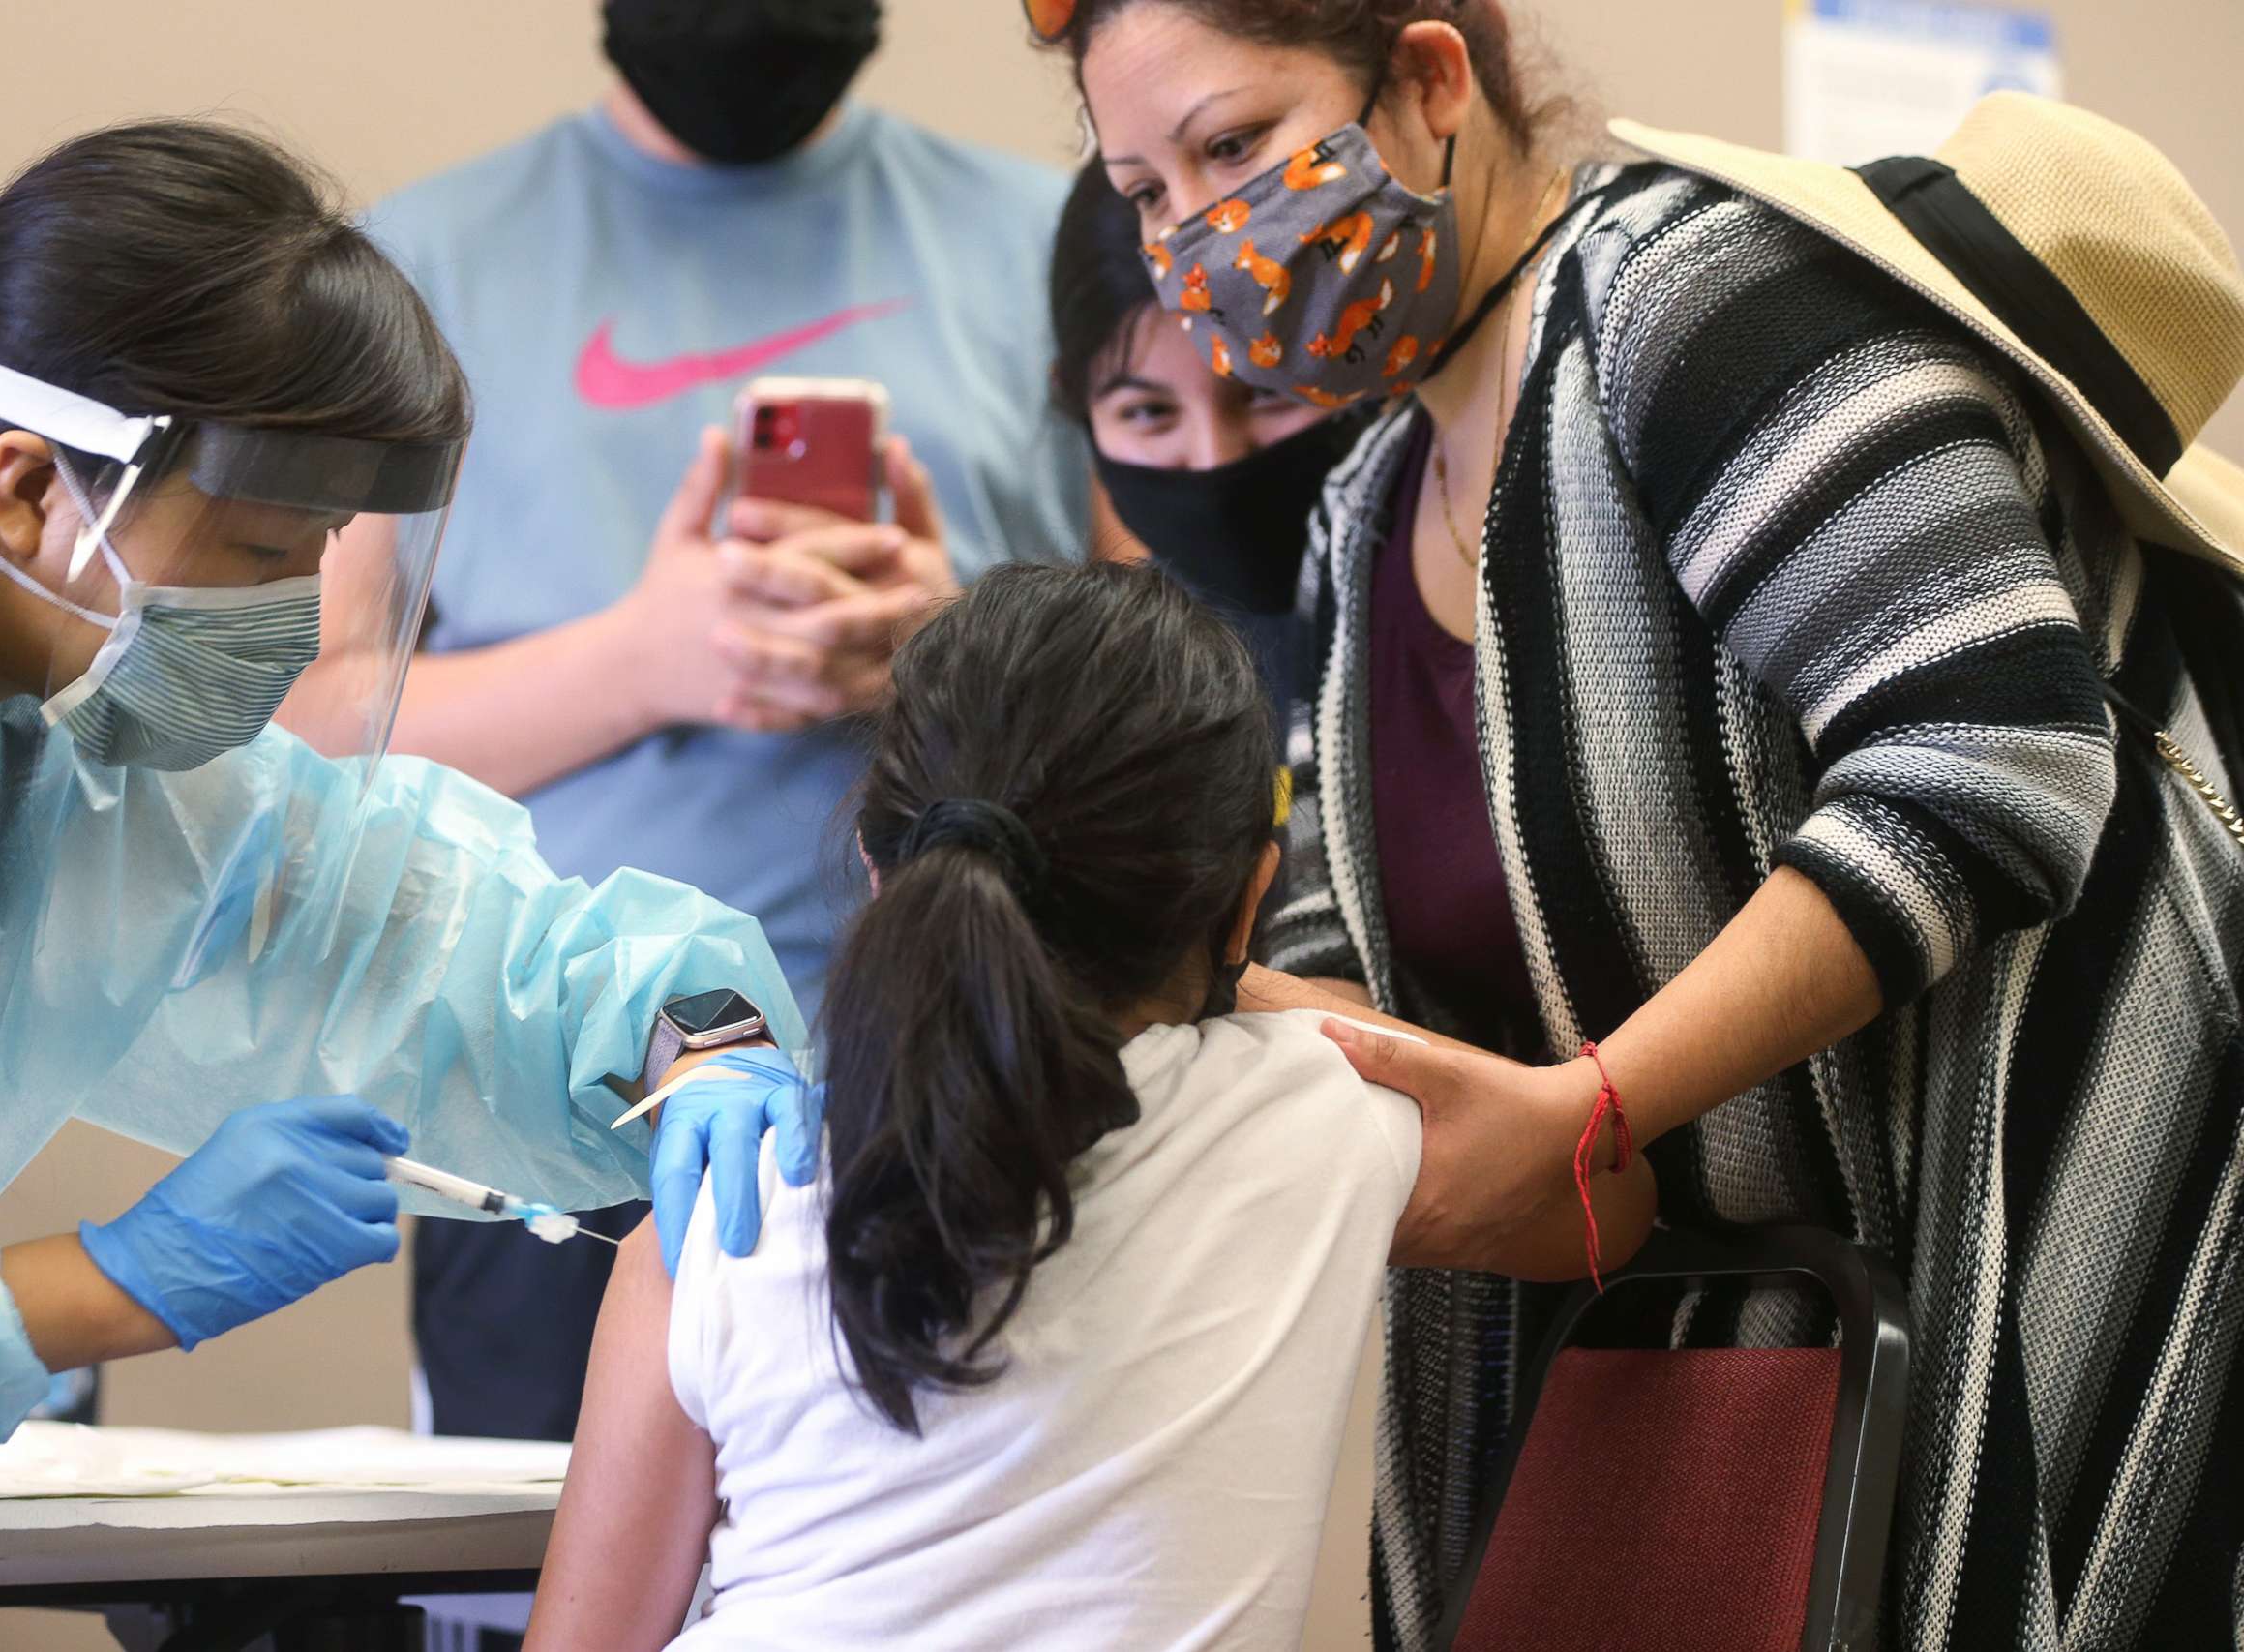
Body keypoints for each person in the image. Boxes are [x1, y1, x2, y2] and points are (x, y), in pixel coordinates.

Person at [1043, 1, 2244, 1645]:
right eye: (1142, 189)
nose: (1192, 232)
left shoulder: (1696, 303)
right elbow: (1331, 940)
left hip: (1980, 1303)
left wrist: (1588, 1108)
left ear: (1428, 79)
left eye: (1234, 146)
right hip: (1670, 1389)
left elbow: (1984, 748)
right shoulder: (1363, 499)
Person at [0, 120, 817, 1600]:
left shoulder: (54, 739)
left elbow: (403, 929)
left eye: (320, 552)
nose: (297, 621)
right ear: (29, 486)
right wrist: (118, 1279)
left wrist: (695, 1036)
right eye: (256, 555)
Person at [514, 561, 1651, 1651]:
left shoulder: (724, 1203)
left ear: (877, 868)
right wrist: (1258, 980)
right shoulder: (1315, 1114)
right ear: (1248, 891)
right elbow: (1604, 1191)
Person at [350, 0, 1091, 1608]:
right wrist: (642, 659)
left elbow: (1172, 691)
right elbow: (304, 729)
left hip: (970, 1094)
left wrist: (949, 654)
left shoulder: (1061, 247)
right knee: (541, 1600)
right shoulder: (415, 270)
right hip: (557, 1128)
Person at [1048, 157, 1375, 709]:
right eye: (1149, 412)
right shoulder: (1103, 706)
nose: (1214, 460)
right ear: (1076, 402)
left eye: (1266, 390)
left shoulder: (1466, 624)